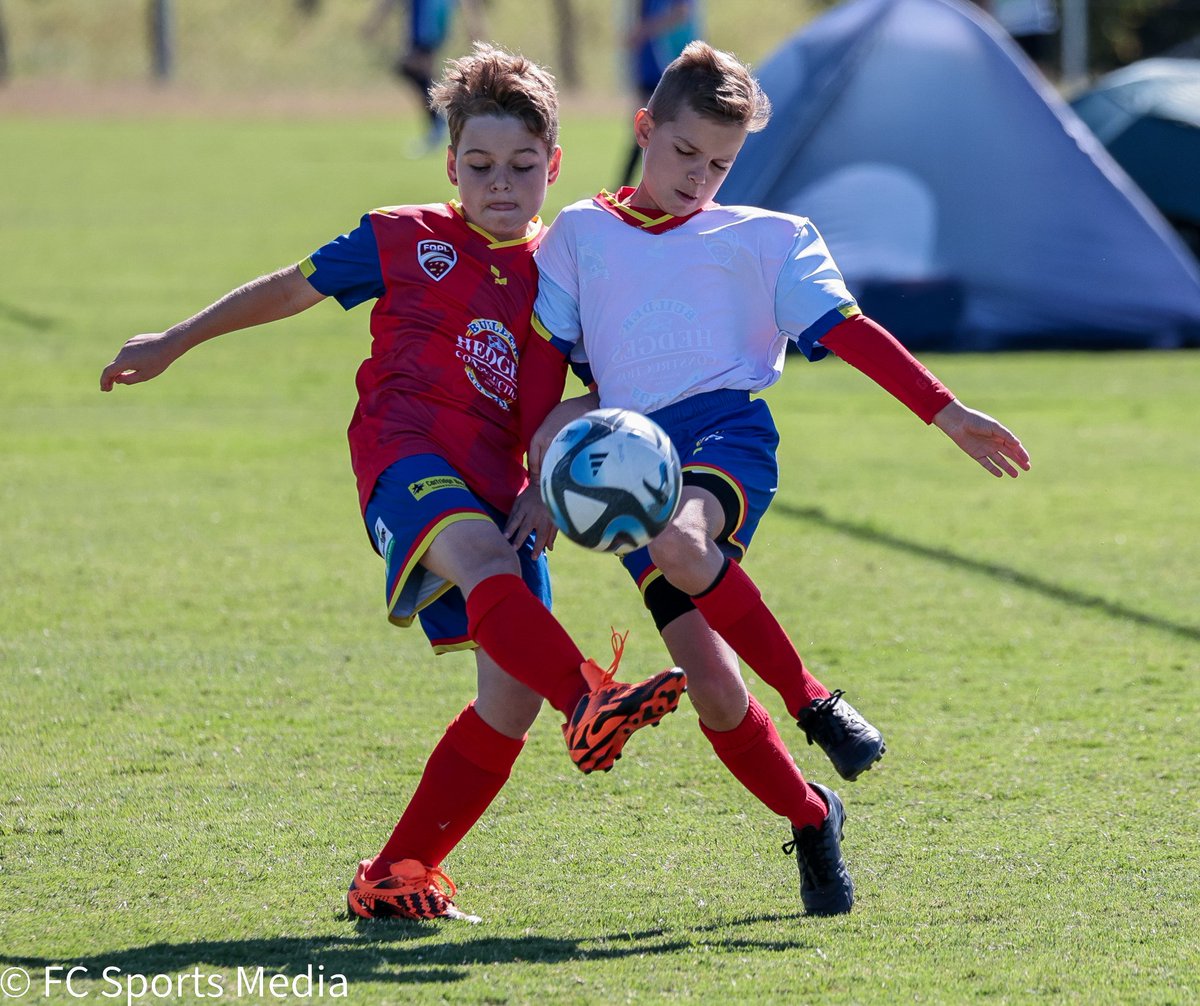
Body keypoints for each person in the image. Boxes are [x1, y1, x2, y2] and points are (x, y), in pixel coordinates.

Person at [100, 43, 686, 923]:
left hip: (503, 489)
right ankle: (590, 698)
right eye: (479, 165)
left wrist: (552, 476)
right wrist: (173, 341)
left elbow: (606, 387)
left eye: (524, 167)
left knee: (508, 701)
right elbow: (288, 291)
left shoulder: (563, 273)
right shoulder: (401, 236)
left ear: (554, 166)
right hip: (405, 457)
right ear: (451, 165)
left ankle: (397, 872)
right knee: (489, 568)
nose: (501, 183)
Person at [529, 41, 1031, 916]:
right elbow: (545, 372)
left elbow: (848, 329)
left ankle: (813, 701)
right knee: (717, 692)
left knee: (685, 540)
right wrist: (534, 477)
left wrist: (946, 410)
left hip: (726, 433)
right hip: (630, 456)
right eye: (685, 153)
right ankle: (810, 813)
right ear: (644, 129)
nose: (699, 178)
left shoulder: (769, 238)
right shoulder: (578, 233)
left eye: (720, 164)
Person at [362, 0, 487, 156]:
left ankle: (443, 121)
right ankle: (442, 121)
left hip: (428, 18)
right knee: (416, 70)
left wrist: (376, 21)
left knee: (414, 67)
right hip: (428, 16)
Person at [618, 0, 698, 188]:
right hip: (647, 66)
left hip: (670, 64)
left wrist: (646, 30)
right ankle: (627, 189)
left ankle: (671, 185)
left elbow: (681, 13)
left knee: (666, 127)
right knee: (643, 128)